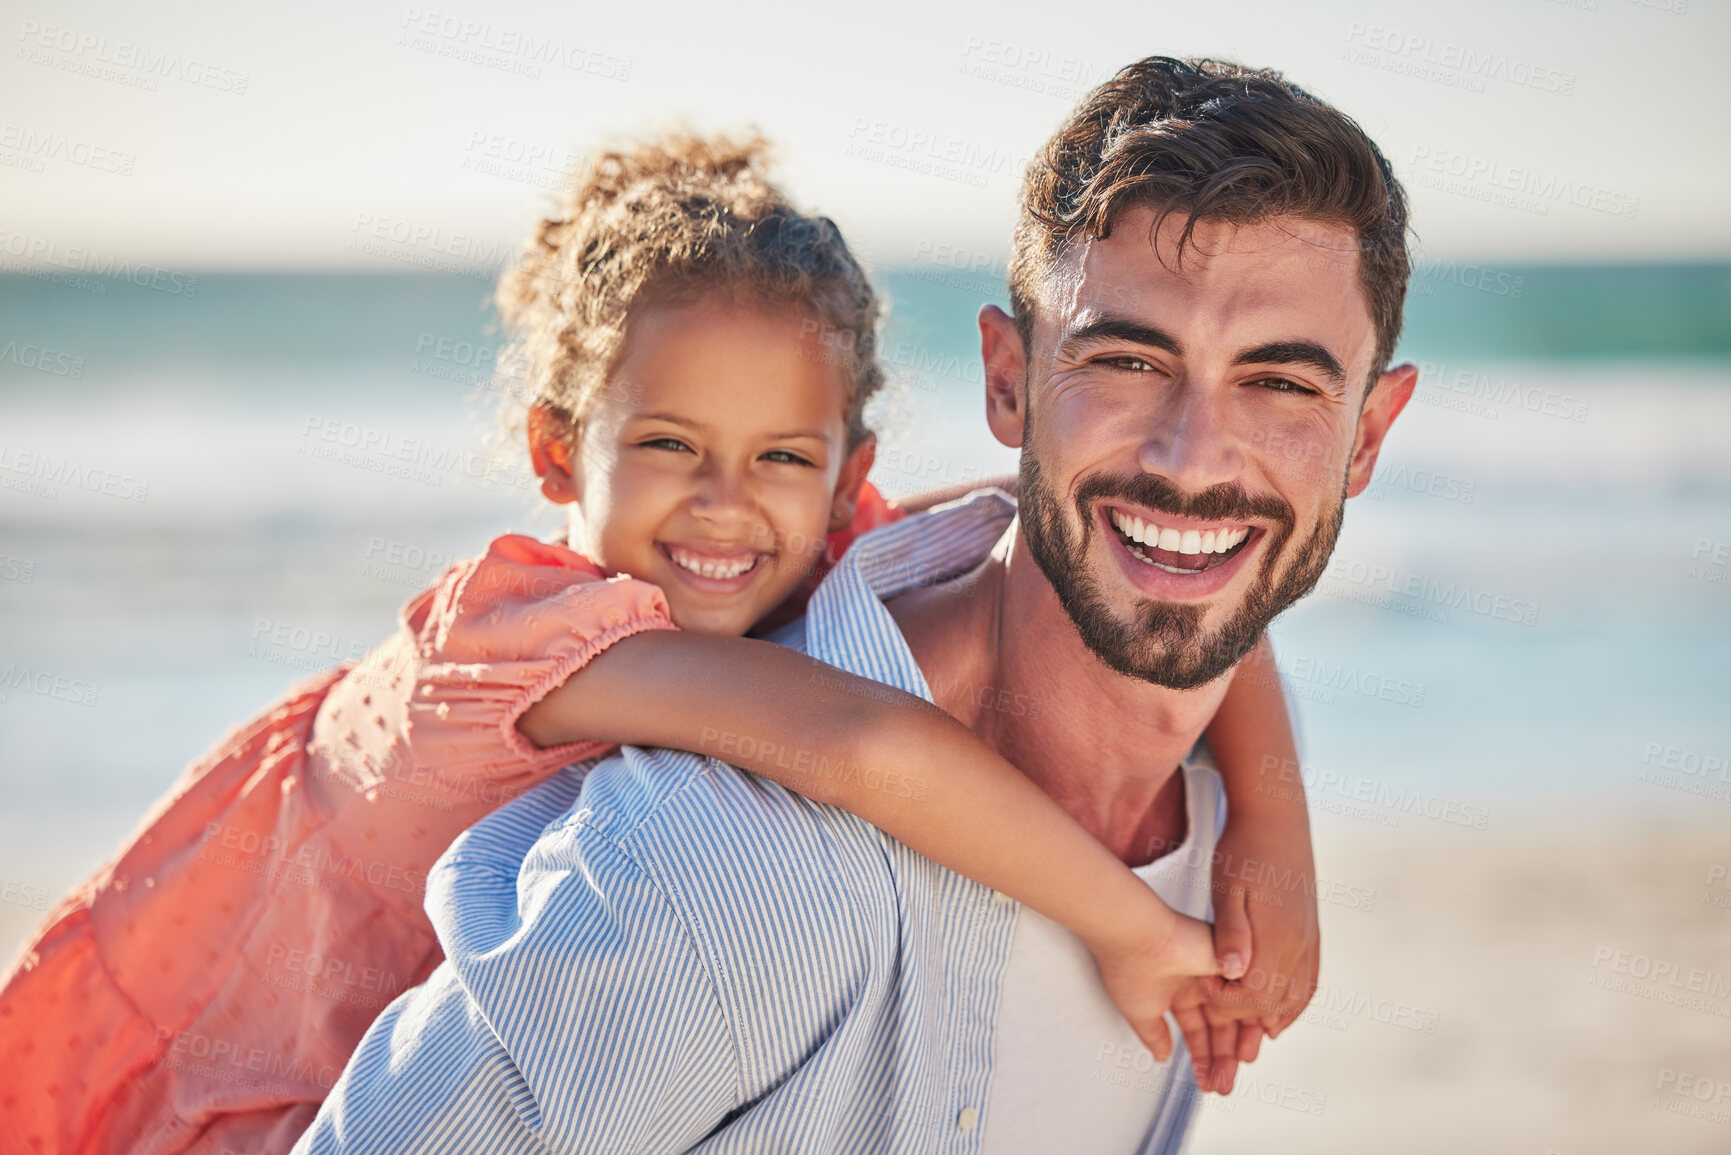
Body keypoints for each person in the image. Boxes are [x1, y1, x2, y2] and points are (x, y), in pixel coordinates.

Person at [0, 128, 1317, 1155]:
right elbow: (862, 742)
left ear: (845, 462)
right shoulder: (542, 641)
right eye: (668, 445)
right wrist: (1127, 922)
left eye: (779, 457)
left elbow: (1101, 546)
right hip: (279, 1072)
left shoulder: (782, 538)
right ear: (558, 448)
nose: (723, 500)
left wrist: (1270, 827)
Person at [291, 54, 1415, 1155]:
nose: (1192, 456)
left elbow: (1167, 554)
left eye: (1280, 382)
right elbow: (867, 742)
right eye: (1127, 362)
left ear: (1367, 433)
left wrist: (1275, 829)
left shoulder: (1220, 790)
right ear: (1009, 383)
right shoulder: (720, 875)